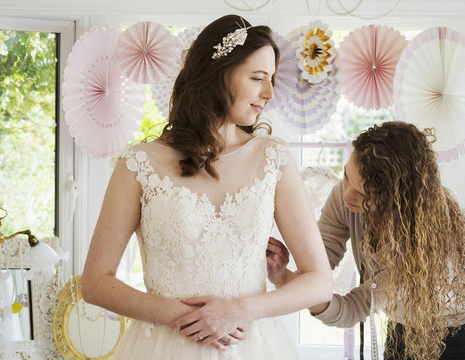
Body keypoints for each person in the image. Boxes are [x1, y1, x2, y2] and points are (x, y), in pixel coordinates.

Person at [81, 14, 332, 360]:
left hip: (252, 348)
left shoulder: (274, 159)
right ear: (218, 75)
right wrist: (188, 318)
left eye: (271, 79)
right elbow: (95, 282)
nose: (270, 93)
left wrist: (239, 310)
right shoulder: (138, 164)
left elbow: (320, 281)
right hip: (161, 348)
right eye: (258, 78)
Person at [267, 121, 465, 360]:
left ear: (395, 199)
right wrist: (285, 277)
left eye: (364, 194)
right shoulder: (344, 196)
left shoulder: (420, 237)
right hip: (404, 328)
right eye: (347, 177)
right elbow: (319, 259)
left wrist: (298, 288)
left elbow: (354, 308)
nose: (347, 195)